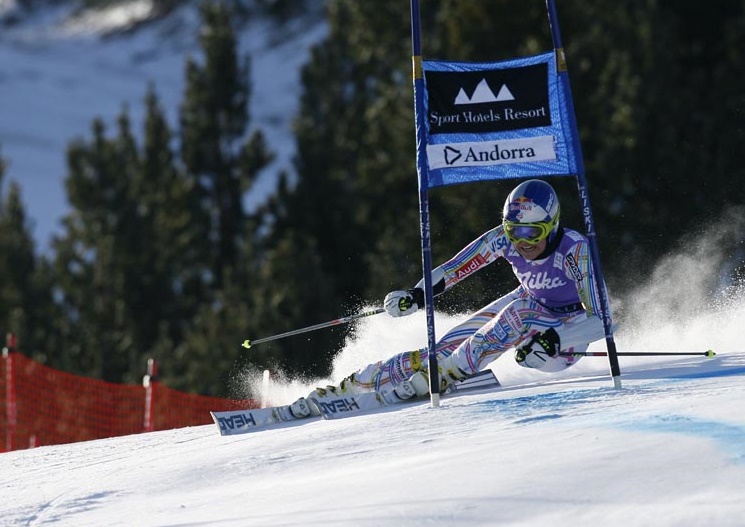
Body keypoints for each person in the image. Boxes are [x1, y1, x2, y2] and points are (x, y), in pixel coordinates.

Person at [291, 179, 608, 416]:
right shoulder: (503, 239)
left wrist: (555, 339)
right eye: (513, 231)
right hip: (529, 303)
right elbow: (456, 268)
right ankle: (358, 384)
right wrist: (417, 296)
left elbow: (603, 320)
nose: (521, 242)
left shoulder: (574, 250)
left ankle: (444, 375)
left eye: (531, 233)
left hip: (566, 334)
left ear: (551, 225)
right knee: (442, 349)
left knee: (516, 315)